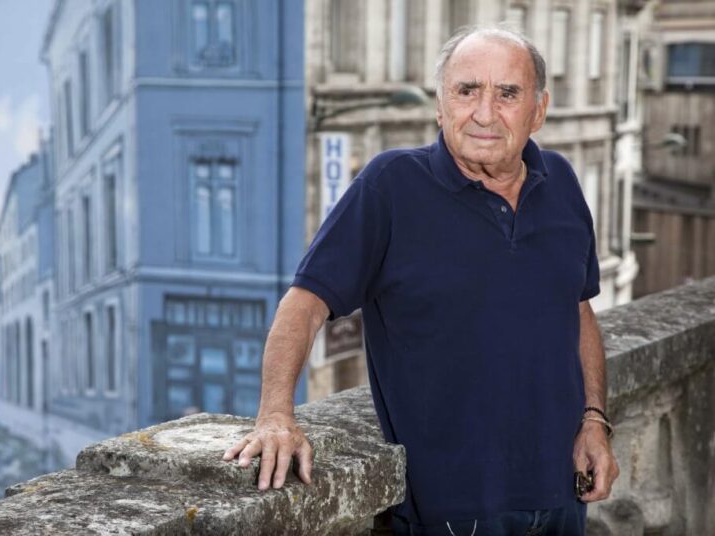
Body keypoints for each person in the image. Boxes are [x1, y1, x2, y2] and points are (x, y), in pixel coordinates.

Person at [224, 27, 620, 535]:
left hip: (563, 496)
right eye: (466, 90)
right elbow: (304, 304)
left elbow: (578, 310)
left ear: (538, 111)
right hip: (450, 512)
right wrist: (276, 415)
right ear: (439, 106)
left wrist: (593, 420)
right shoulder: (391, 185)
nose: (483, 112)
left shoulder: (561, 181)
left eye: (507, 94)